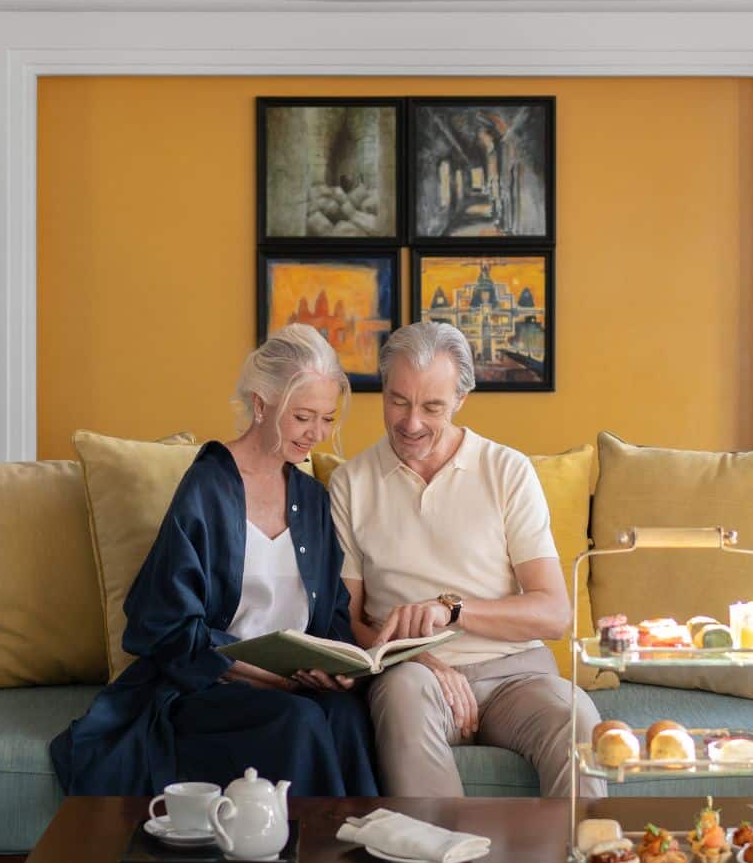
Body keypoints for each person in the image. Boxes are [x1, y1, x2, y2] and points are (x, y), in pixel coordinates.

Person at [50, 325, 378, 797]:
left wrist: (336, 664)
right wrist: (262, 677)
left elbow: (328, 616)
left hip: (290, 685)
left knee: (346, 716)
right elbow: (161, 624)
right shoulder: (207, 487)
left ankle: (357, 854)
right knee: (300, 718)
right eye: (303, 416)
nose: (317, 435)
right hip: (209, 689)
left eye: (327, 419)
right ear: (261, 405)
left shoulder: (311, 496)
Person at [330, 321, 604, 799]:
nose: (411, 423)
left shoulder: (507, 471)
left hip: (515, 674)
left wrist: (451, 608)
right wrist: (425, 660)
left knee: (576, 718)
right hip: (414, 674)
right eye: (398, 401)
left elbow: (554, 614)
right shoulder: (352, 483)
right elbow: (349, 619)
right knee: (400, 696)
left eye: (432, 406)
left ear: (461, 400)